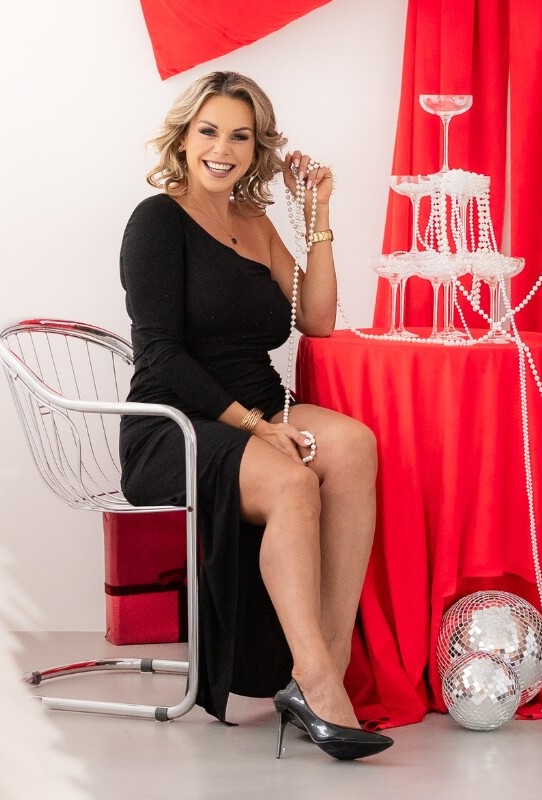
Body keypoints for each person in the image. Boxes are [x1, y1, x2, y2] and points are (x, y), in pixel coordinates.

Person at [117, 71, 390, 760]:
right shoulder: (157, 221)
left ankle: (323, 665)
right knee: (293, 482)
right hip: (175, 423)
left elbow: (316, 319)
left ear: (256, 147)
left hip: (260, 410)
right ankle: (318, 684)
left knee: (354, 446)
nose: (222, 149)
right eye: (208, 131)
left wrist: (317, 214)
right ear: (183, 137)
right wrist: (256, 426)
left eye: (239, 136)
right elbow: (160, 353)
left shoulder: (254, 221)